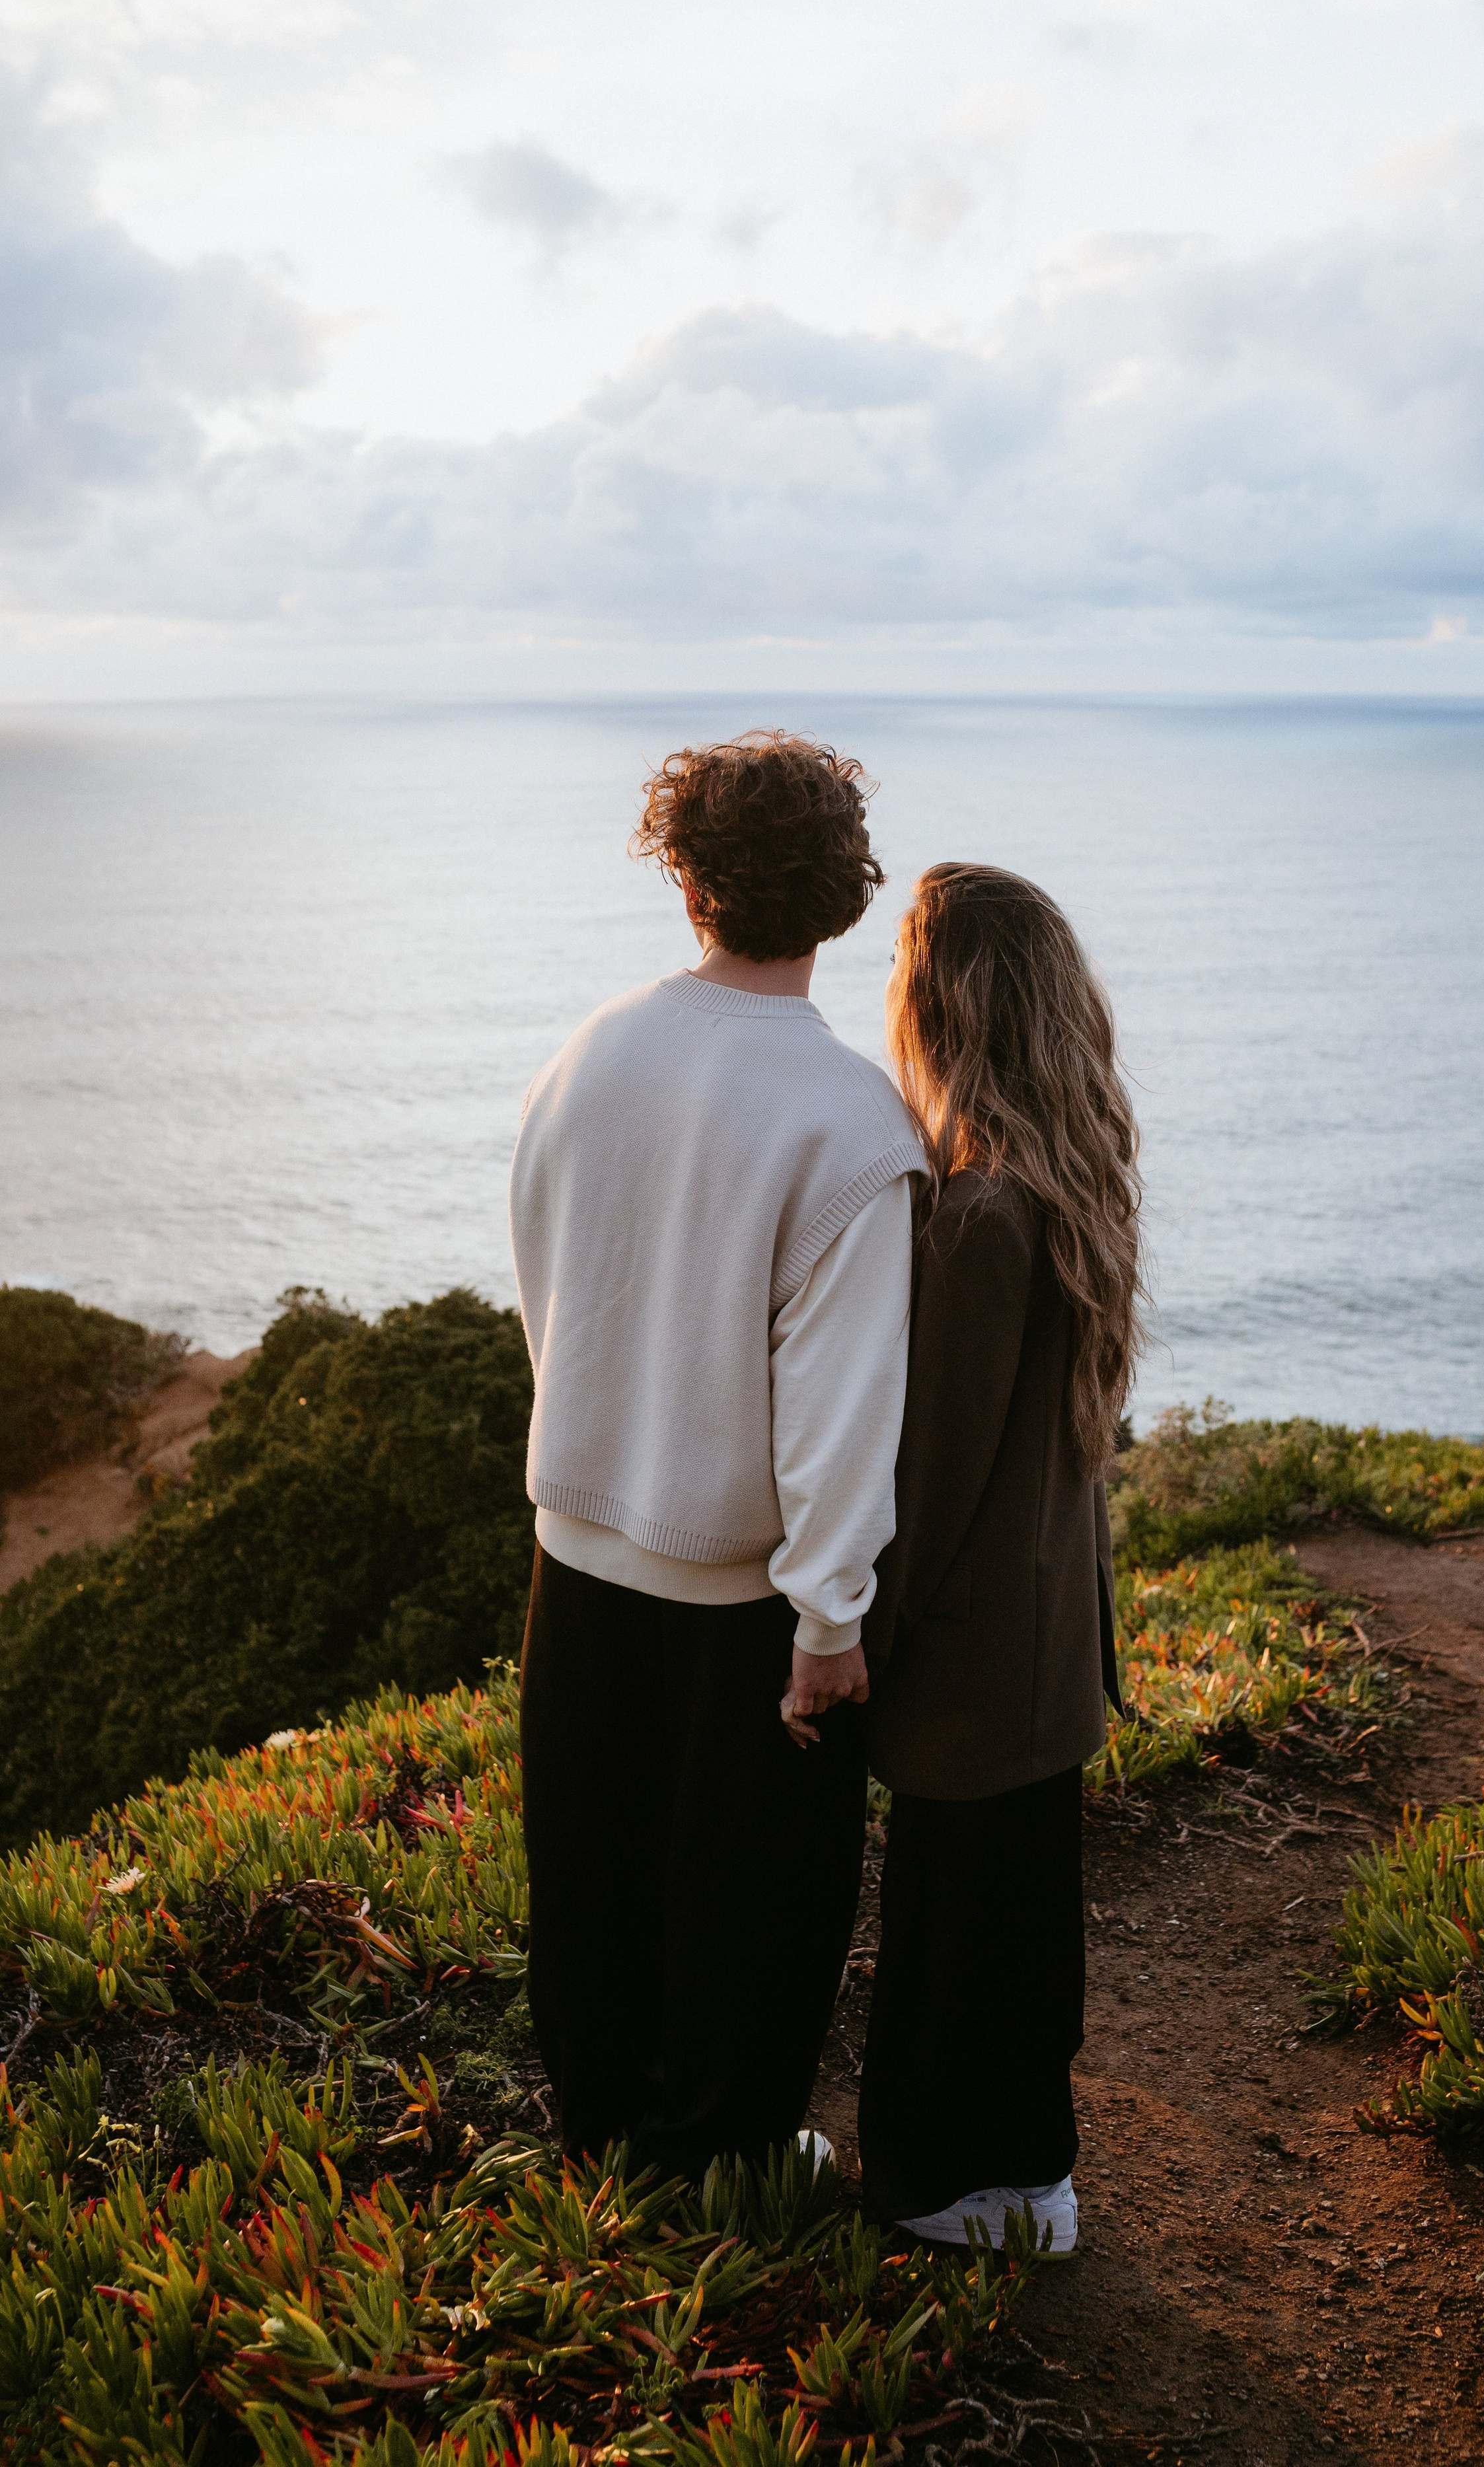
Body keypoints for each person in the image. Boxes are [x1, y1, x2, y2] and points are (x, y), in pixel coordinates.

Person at [509, 731, 926, 2183]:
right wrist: (831, 1617)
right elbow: (839, 1404)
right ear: (841, 893)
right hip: (747, 1593)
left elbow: (549, 1289)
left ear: (683, 879)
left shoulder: (586, 1053)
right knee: (753, 1897)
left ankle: (602, 2138)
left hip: (577, 1544)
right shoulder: (851, 1120)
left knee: (591, 1870)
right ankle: (725, 2167)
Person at [856, 863, 1144, 2255]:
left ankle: (939, 2189)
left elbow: (932, 1471)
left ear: (942, 1004)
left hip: (972, 1663)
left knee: (945, 1937)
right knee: (1023, 1929)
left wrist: (853, 1628)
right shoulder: (1071, 1174)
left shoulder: (975, 1215)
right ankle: (1031, 2172)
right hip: (1046, 1653)